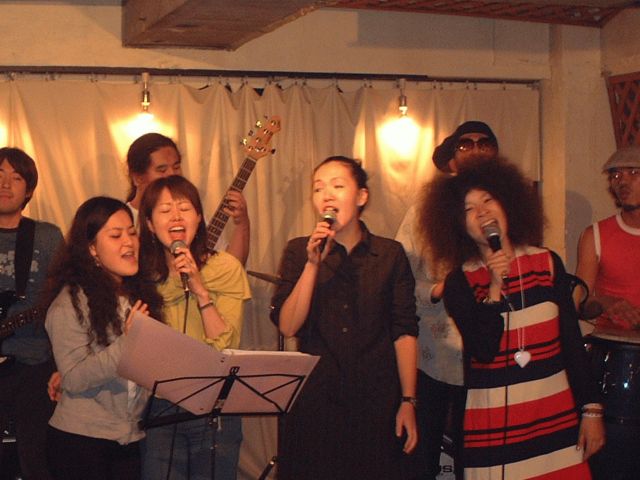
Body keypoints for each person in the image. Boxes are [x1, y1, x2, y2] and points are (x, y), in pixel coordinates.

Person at [417, 160, 605, 478]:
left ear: (507, 203)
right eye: (469, 209)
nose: (482, 213)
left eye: (488, 200)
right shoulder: (460, 282)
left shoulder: (547, 263)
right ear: (458, 225)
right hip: (492, 429)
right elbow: (484, 350)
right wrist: (493, 287)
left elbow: (571, 343)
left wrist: (592, 409)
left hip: (554, 419)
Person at [270, 155, 419, 480]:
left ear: (361, 196)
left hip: (375, 401)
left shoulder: (390, 255)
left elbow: (404, 331)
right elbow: (288, 325)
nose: (326, 195)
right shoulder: (298, 251)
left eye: (337, 186)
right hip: (315, 401)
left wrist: (408, 400)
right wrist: (313, 264)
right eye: (318, 188)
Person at [395, 120, 498, 479]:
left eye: (484, 143)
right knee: (423, 455)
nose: (476, 149)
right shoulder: (424, 210)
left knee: (479, 458)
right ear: (451, 158)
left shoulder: (505, 208)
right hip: (433, 352)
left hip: (488, 352)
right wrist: (437, 290)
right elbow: (400, 277)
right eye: (465, 144)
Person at [138, 175, 251, 480]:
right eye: (165, 210)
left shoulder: (225, 268)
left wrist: (200, 290)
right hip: (161, 406)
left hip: (215, 406)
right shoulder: (141, 277)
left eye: (184, 208)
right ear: (149, 224)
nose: (176, 216)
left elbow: (224, 348)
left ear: (199, 217)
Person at [44, 196, 163, 480]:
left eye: (132, 233)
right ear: (92, 249)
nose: (129, 242)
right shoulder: (69, 304)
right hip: (81, 442)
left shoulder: (140, 296)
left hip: (129, 438)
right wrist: (128, 343)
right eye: (116, 235)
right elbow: (73, 378)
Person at [575, 145, 640, 480]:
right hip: (614, 360)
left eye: (633, 173)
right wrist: (607, 302)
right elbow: (580, 303)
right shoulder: (596, 235)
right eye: (616, 174)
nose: (622, 181)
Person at [0, 147, 63, 480]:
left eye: (16, 177)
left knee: (36, 458)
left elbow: (66, 302)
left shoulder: (47, 236)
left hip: (34, 362)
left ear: (29, 189)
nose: (5, 184)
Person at [126, 132, 250, 265]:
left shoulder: (191, 214)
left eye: (176, 167)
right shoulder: (124, 219)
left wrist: (242, 223)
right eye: (162, 170)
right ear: (137, 178)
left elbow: (231, 267)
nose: (172, 174)